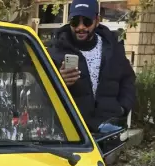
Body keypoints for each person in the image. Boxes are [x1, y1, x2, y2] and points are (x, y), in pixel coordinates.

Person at [47, 0, 136, 133]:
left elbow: (128, 80)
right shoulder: (56, 50)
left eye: (87, 21)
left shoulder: (113, 47)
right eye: (75, 22)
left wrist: (122, 108)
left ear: (97, 21)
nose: (80, 27)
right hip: (71, 131)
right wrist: (58, 82)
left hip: (108, 129)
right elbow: (40, 90)